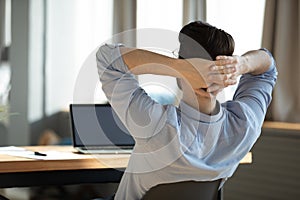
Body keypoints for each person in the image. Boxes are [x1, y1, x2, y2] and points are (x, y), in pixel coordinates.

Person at [96, 21, 277, 200]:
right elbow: (267, 69)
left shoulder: (156, 125)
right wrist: (241, 64)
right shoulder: (244, 126)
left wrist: (179, 68)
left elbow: (106, 58)